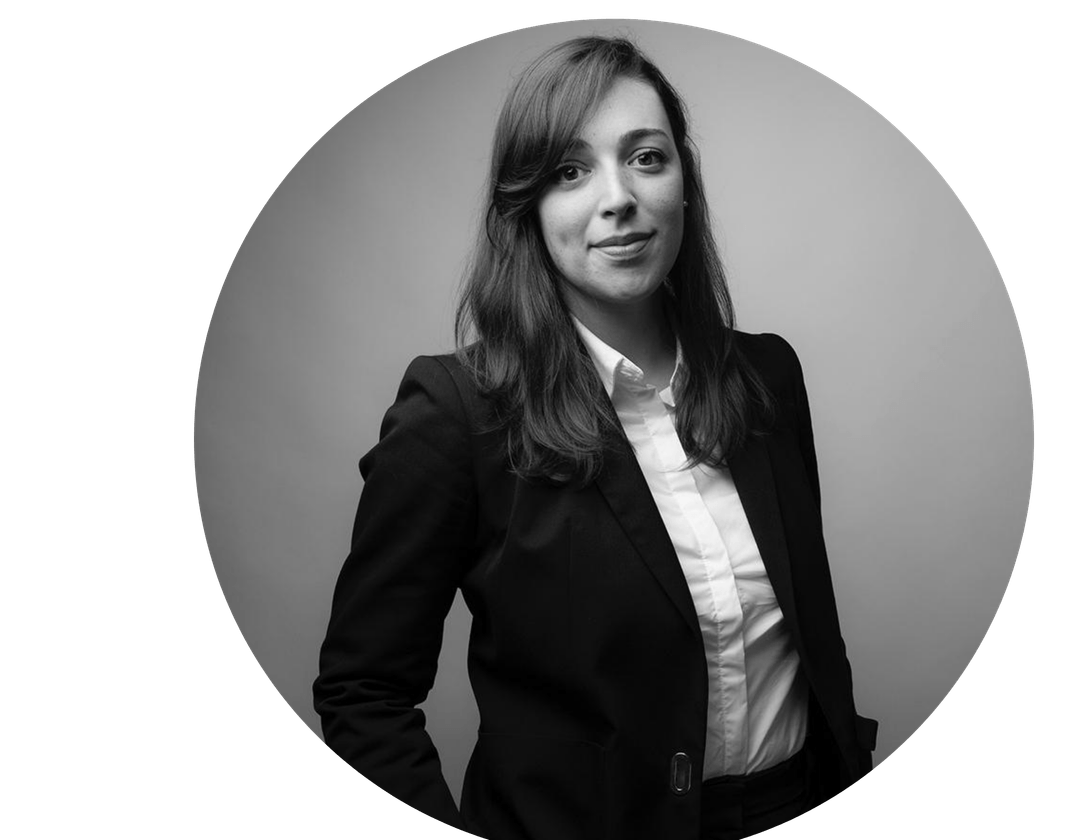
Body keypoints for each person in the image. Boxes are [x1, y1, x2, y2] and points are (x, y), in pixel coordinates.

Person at [314, 35, 877, 840]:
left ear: (684, 182)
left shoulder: (767, 378)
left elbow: (812, 644)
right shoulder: (454, 414)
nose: (620, 199)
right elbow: (363, 694)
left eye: (647, 158)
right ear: (528, 208)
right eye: (570, 171)